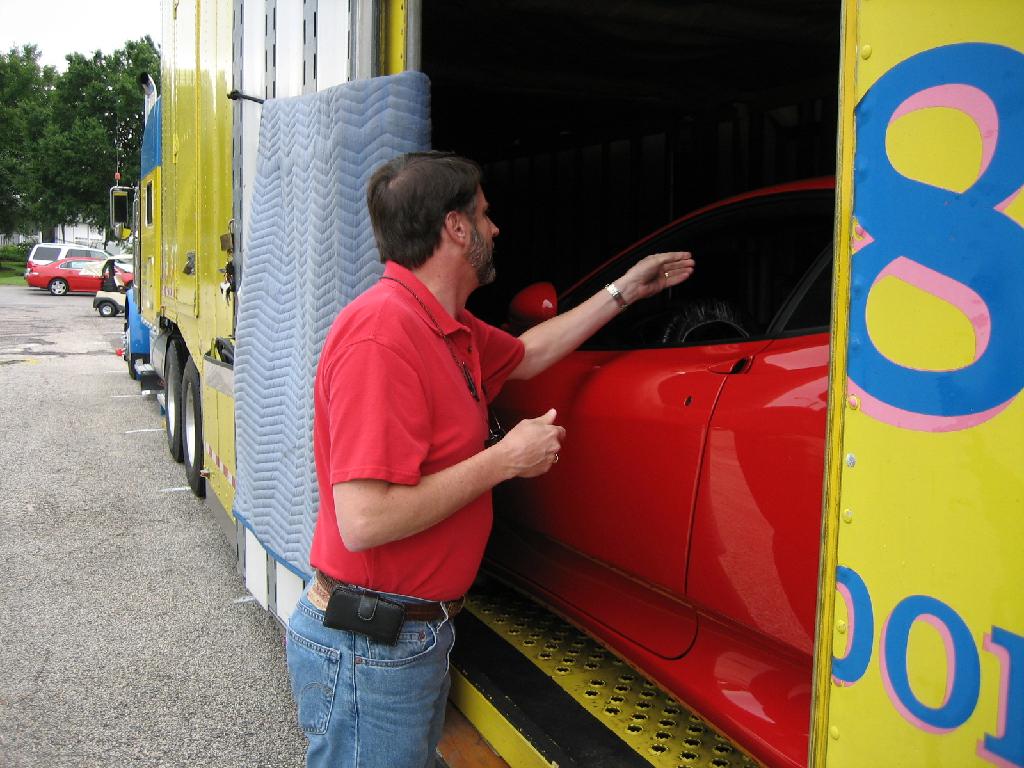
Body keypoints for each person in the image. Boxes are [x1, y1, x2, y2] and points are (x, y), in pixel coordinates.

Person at [286, 151, 695, 768]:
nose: (495, 228)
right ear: (455, 227)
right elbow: (365, 519)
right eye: (484, 214)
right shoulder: (383, 335)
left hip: (409, 637)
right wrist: (504, 459)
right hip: (373, 648)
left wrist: (624, 291)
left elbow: (528, 353)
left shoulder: (446, 325)